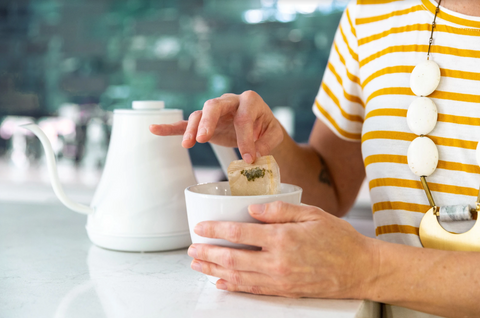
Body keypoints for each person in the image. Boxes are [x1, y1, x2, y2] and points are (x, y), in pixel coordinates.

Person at [150, 0, 480, 317]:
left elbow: (363, 266)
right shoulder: (370, 15)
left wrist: (364, 268)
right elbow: (330, 189)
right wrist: (265, 140)